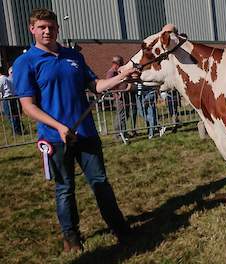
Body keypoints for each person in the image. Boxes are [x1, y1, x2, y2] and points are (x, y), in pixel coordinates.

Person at [13, 8, 138, 252]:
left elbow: (96, 85)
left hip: (87, 134)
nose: (47, 31)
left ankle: (119, 227)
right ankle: (71, 237)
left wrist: (123, 75)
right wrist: (59, 126)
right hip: (55, 138)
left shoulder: (74, 57)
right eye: (42, 27)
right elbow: (28, 106)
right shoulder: (25, 62)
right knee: (65, 188)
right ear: (32, 30)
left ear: (58, 28)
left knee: (100, 181)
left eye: (51, 27)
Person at [106, 56, 138, 142]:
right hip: (119, 97)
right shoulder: (111, 72)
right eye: (121, 63)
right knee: (121, 115)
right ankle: (118, 134)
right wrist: (117, 93)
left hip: (124, 96)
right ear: (117, 64)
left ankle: (123, 132)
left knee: (125, 114)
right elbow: (110, 85)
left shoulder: (118, 71)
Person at [0, 66, 22, 134]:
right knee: (15, 114)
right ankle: (19, 129)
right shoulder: (7, 78)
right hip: (12, 97)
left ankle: (16, 131)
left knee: (10, 115)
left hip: (7, 98)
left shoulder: (2, 79)